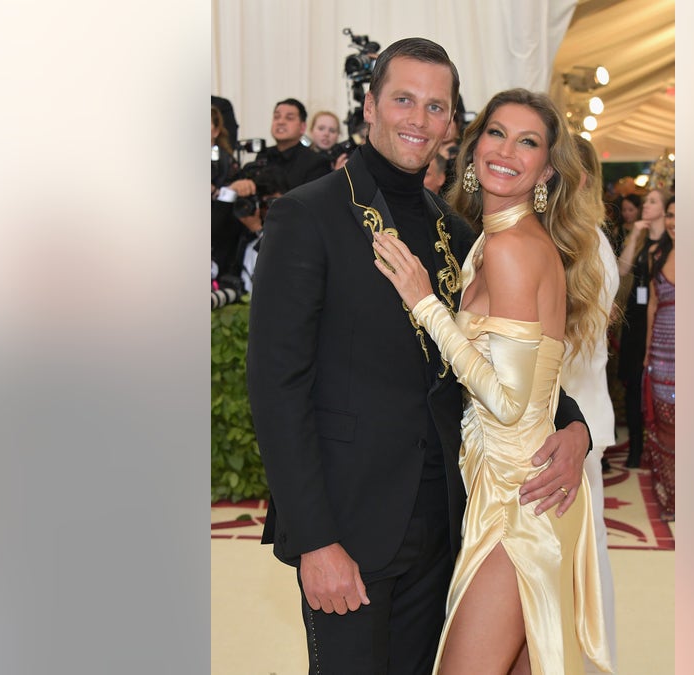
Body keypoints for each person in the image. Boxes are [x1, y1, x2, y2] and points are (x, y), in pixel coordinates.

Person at [247, 38, 592, 674]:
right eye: (403, 99)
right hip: (348, 529)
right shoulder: (307, 216)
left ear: (450, 124)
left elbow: (515, 356)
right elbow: (276, 389)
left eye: (437, 106)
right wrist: (315, 539)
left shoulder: (456, 231)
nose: (418, 118)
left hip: (448, 525)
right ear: (370, 106)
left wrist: (576, 427)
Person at [373, 88, 611, 674]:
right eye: (496, 133)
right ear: (474, 145)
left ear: (548, 170)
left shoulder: (508, 249)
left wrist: (426, 304)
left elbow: (506, 403)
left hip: (517, 500)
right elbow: (538, 385)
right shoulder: (497, 239)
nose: (506, 150)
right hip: (514, 486)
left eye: (527, 141)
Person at [568, 135, 619, 673]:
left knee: (583, 562)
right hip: (575, 421)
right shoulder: (584, 239)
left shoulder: (588, 246)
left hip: (573, 425)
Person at [615, 189, 668, 468]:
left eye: (652, 202)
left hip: (662, 322)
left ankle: (662, 449)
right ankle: (637, 448)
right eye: (645, 201)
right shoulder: (641, 241)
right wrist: (635, 234)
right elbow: (622, 271)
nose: (646, 206)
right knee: (634, 386)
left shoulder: (671, 246)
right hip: (635, 322)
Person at [644, 194, 675, 520]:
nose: (674, 222)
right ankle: (673, 497)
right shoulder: (657, 254)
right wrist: (646, 353)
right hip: (662, 355)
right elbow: (652, 305)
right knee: (666, 426)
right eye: (670, 215)